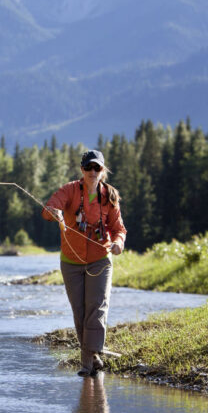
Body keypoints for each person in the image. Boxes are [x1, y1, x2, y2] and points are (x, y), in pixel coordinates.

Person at [42, 149, 126, 376]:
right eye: (88, 167)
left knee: (96, 309)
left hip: (100, 260)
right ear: (82, 170)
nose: (92, 171)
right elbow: (49, 209)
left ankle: (86, 364)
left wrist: (118, 243)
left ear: (103, 171)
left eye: (96, 167)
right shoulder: (69, 190)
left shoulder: (109, 196)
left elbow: (119, 229)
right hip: (71, 261)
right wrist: (55, 213)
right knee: (80, 312)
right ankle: (94, 356)